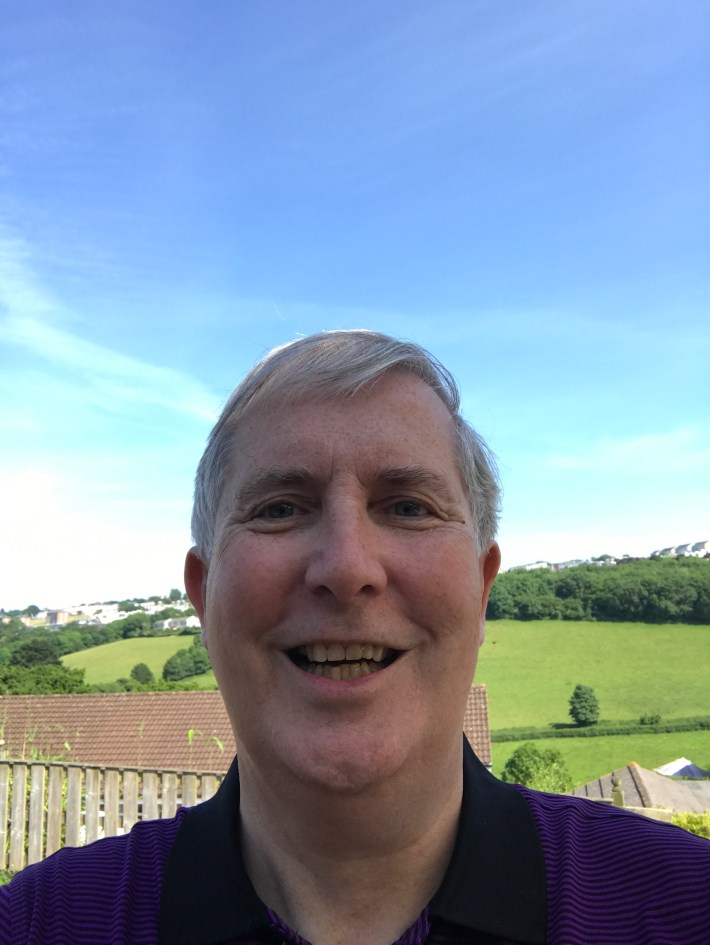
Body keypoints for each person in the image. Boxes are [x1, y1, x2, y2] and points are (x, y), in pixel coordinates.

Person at [1, 330, 708, 945]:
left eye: (408, 507)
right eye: (280, 508)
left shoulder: (685, 906)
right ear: (202, 595)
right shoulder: (39, 923)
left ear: (481, 588)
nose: (346, 568)